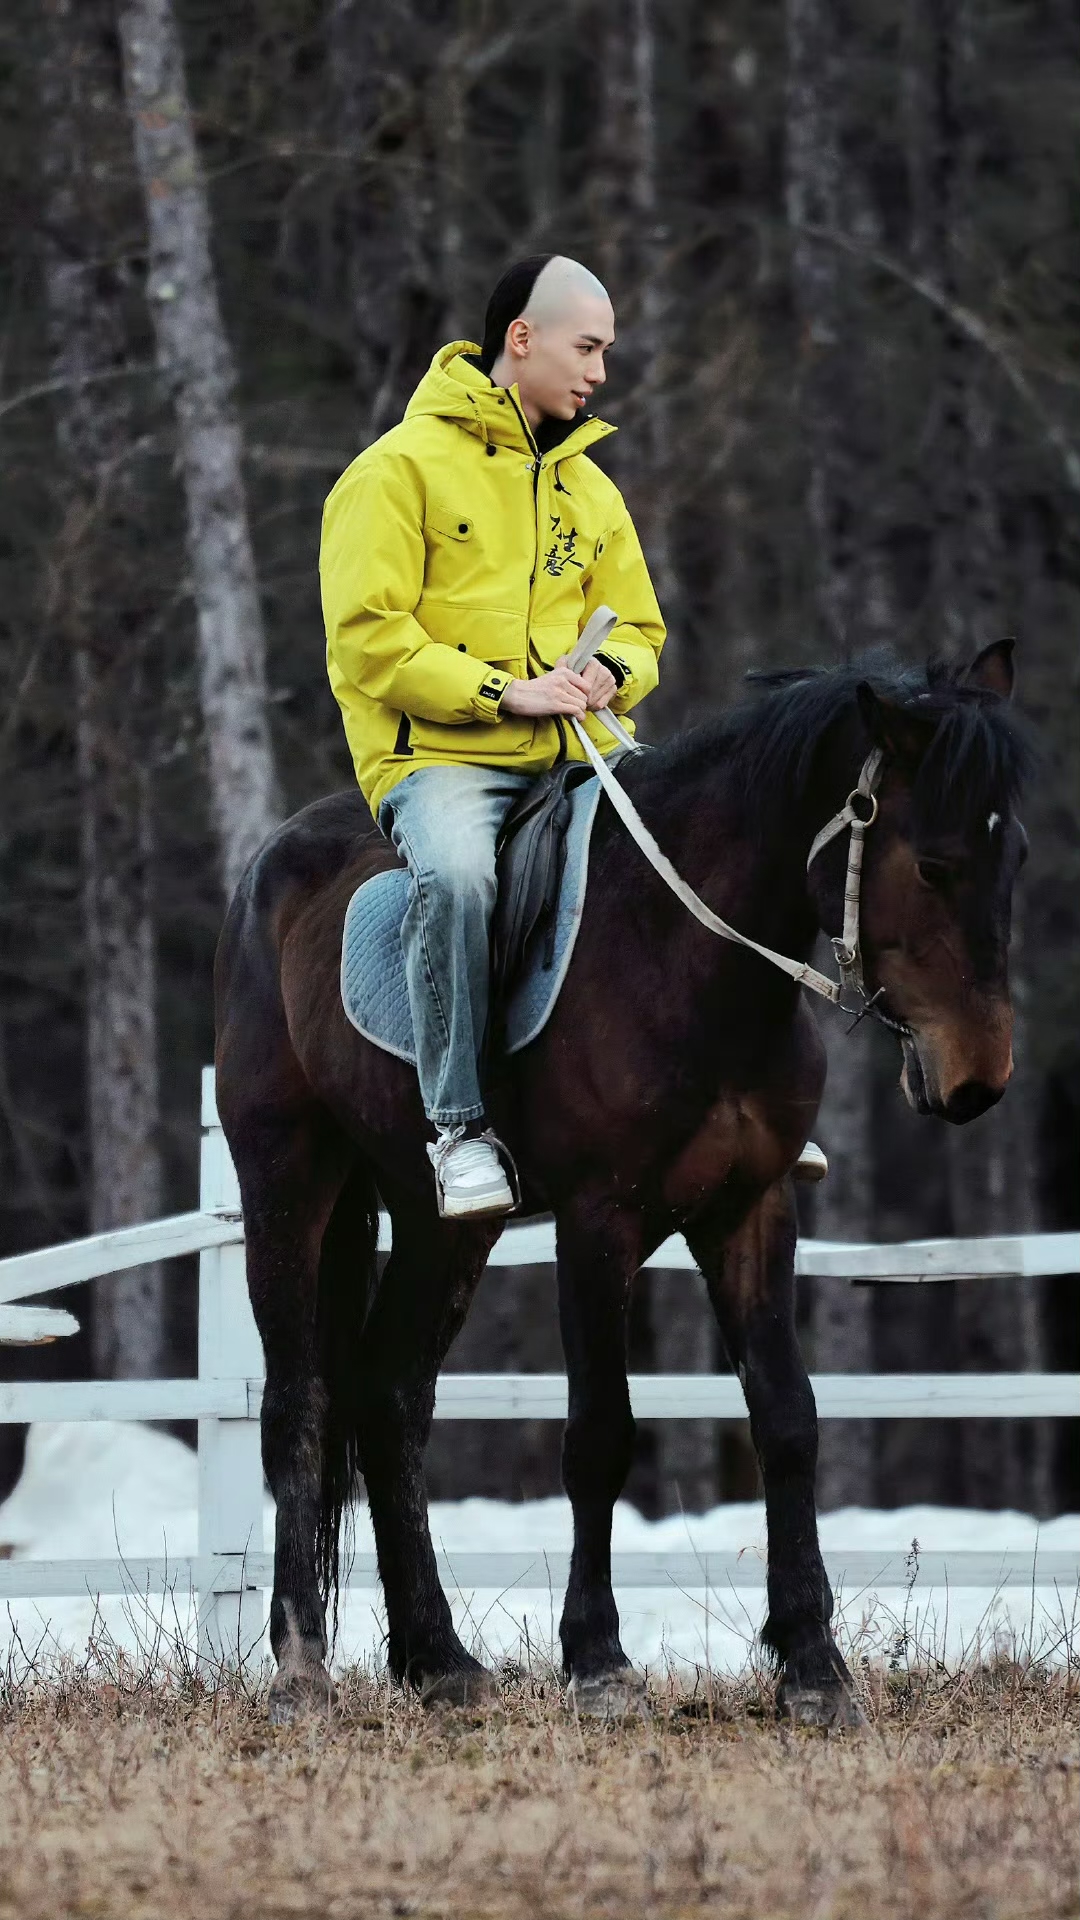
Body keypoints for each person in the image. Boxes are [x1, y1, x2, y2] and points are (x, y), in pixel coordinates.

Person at [322, 255, 826, 1216]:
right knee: (461, 877)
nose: (599, 371)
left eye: (606, 351)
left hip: (582, 750)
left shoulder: (591, 490)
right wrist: (505, 695)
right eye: (587, 347)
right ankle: (459, 1129)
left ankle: (749, 1095)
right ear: (523, 338)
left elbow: (641, 629)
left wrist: (609, 675)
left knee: (719, 844)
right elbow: (370, 642)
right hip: (441, 761)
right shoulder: (390, 474)